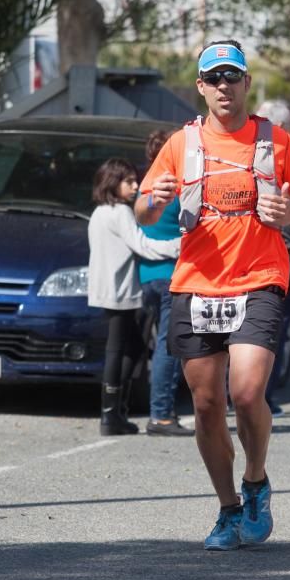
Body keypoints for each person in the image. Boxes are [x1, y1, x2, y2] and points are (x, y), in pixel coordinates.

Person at [136, 40, 290, 551]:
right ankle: (227, 509)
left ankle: (256, 481)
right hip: (195, 284)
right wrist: (154, 203)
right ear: (200, 86)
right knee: (207, 404)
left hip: (259, 277)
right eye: (213, 78)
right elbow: (144, 211)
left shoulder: (276, 141)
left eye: (231, 77)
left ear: (246, 84)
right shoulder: (181, 143)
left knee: (245, 391)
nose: (223, 86)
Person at [87, 158, 180, 436]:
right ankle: (110, 416)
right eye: (128, 181)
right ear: (112, 182)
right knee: (117, 350)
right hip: (120, 290)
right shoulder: (120, 213)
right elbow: (143, 246)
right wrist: (179, 246)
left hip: (104, 289)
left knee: (134, 348)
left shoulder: (100, 212)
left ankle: (116, 411)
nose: (136, 186)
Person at [138, 129, 193, 437]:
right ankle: (160, 415)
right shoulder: (174, 184)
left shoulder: (148, 185)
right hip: (173, 274)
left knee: (157, 342)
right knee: (168, 346)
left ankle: (158, 410)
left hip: (146, 274)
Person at [255, 99, 290, 417]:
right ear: (282, 128)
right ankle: (263, 397)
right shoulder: (284, 156)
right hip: (277, 262)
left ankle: (249, 395)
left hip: (263, 259)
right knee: (274, 329)